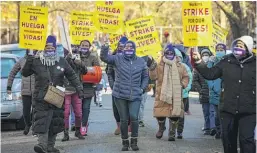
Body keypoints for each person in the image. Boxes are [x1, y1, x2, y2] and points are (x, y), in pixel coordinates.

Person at [192, 36, 256, 153]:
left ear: (248, 48)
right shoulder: (226, 61)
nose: (238, 48)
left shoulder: (254, 64)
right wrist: (198, 62)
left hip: (248, 110)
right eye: (236, 45)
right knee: (228, 140)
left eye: (241, 46)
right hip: (228, 109)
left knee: (246, 140)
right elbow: (210, 74)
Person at [21, 35, 84, 153]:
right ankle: (42, 145)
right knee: (42, 121)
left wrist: (79, 89)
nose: (49, 50)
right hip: (41, 97)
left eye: (51, 48)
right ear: (43, 48)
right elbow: (25, 73)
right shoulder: (36, 60)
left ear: (55, 48)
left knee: (55, 121)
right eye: (47, 47)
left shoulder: (61, 61)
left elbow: (72, 75)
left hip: (57, 96)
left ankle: (50, 146)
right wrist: (29, 56)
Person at [101, 40, 149, 151]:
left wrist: (142, 88)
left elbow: (145, 76)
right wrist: (105, 46)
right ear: (123, 49)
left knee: (134, 117)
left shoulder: (141, 61)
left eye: (130, 47)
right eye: (126, 47)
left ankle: (134, 141)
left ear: (134, 49)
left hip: (135, 95)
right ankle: (125, 142)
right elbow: (104, 58)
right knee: (123, 119)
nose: (128, 49)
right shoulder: (117, 58)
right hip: (120, 94)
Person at [149, 44, 189, 141]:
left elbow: (186, 77)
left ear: (174, 54)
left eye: (171, 53)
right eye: (167, 53)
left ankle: (172, 132)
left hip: (175, 94)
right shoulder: (159, 65)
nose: (169, 54)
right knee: (160, 113)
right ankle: (161, 128)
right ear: (164, 54)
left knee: (175, 115)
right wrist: (152, 68)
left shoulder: (181, 66)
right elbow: (153, 77)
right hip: (162, 93)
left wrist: (182, 85)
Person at [7, 49, 37, 135]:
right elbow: (12, 73)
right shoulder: (21, 60)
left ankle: (34, 128)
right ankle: (28, 124)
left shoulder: (37, 60)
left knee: (36, 111)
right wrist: (9, 86)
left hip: (36, 90)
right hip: (25, 91)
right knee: (26, 112)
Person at [74, 40, 100, 136]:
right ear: (80, 46)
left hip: (89, 86)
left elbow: (97, 71)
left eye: (86, 45)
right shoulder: (75, 56)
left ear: (89, 47)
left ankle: (84, 126)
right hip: (76, 86)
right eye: (83, 45)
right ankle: (77, 126)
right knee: (78, 109)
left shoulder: (93, 57)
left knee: (86, 108)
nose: (84, 47)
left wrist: (82, 67)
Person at [62, 45, 86, 141]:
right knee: (66, 113)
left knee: (79, 113)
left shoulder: (78, 60)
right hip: (66, 90)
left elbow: (85, 72)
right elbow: (63, 69)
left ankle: (77, 131)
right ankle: (65, 133)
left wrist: (80, 63)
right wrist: (68, 58)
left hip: (76, 90)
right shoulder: (63, 59)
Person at [106, 36, 128, 135]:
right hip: (116, 87)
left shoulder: (132, 58)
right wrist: (112, 85)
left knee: (128, 107)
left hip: (128, 87)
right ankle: (119, 126)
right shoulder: (113, 58)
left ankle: (128, 126)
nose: (121, 48)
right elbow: (109, 72)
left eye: (123, 46)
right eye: (119, 46)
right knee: (116, 108)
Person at [207, 43, 226, 139]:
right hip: (215, 93)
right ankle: (218, 131)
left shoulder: (227, 61)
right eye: (217, 50)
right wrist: (212, 87)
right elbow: (208, 75)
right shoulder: (212, 62)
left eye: (221, 49)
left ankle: (223, 131)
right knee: (217, 115)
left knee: (224, 115)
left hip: (225, 93)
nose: (219, 51)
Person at [192, 48, 212, 135]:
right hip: (204, 94)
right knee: (206, 112)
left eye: (207, 55)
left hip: (213, 93)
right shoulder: (198, 68)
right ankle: (207, 127)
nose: (205, 57)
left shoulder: (213, 66)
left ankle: (213, 128)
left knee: (213, 112)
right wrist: (200, 90)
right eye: (203, 55)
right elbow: (195, 80)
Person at [175, 48, 193, 139]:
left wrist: (186, 89)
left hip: (183, 94)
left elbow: (189, 78)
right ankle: (172, 130)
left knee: (181, 114)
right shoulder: (168, 66)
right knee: (173, 114)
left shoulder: (185, 66)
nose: (176, 58)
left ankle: (179, 132)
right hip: (172, 95)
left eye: (178, 56)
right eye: (174, 56)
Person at [139, 55, 157, 127]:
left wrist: (151, 84)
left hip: (144, 86)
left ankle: (139, 120)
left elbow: (152, 71)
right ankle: (138, 120)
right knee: (140, 104)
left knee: (141, 104)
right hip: (135, 85)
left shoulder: (149, 58)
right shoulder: (132, 56)